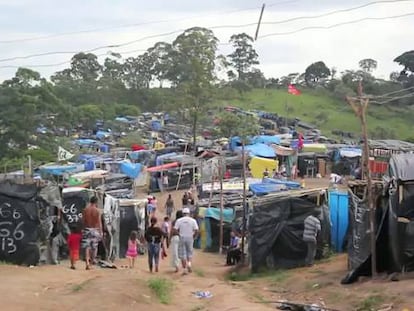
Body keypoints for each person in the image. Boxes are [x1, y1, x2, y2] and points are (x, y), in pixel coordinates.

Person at [174, 207, 199, 274]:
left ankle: (184, 269)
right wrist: (194, 236)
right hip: (190, 237)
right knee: (189, 252)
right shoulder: (193, 220)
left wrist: (179, 234)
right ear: (189, 213)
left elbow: (175, 229)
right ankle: (189, 264)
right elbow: (196, 230)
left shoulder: (179, 220)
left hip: (182, 237)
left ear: (183, 213)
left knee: (183, 253)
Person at [82, 196, 102, 270]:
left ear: (90, 201)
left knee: (87, 247)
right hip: (95, 229)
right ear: (96, 202)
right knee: (94, 247)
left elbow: (83, 221)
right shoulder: (97, 211)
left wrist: (83, 229)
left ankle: (87, 262)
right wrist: (101, 232)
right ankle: (91, 263)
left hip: (87, 229)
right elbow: (99, 222)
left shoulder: (85, 210)